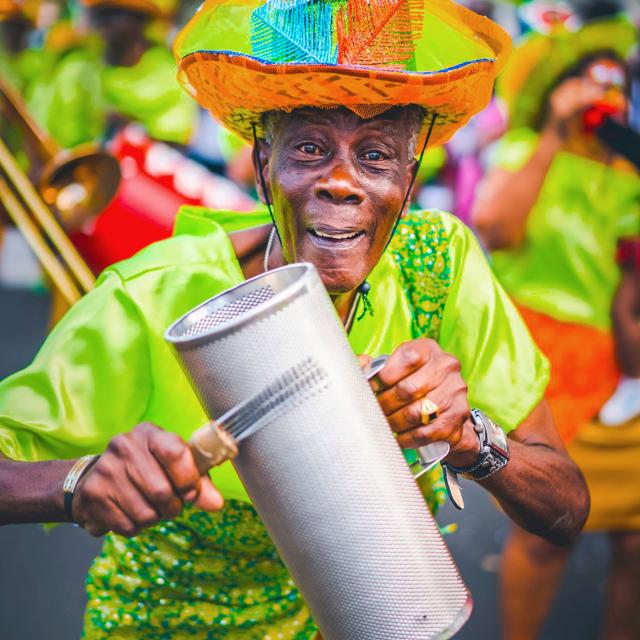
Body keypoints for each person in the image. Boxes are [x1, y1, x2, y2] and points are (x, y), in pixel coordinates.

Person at [0, 0, 589, 637]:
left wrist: (470, 438)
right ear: (262, 164)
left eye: (376, 156)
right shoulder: (156, 292)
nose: (341, 182)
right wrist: (78, 481)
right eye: (309, 148)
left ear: (412, 176)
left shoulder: (441, 268)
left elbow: (566, 508)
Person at [472, 13, 640, 640]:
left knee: (634, 542)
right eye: (590, 80)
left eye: (614, 80)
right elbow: (495, 228)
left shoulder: (629, 176)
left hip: (618, 372)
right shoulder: (524, 150)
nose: (604, 91)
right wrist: (551, 137)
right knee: (545, 537)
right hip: (542, 363)